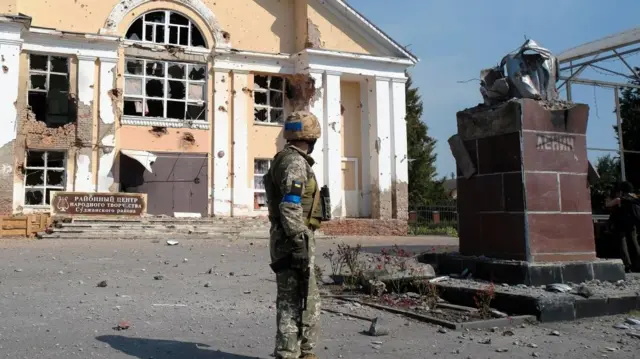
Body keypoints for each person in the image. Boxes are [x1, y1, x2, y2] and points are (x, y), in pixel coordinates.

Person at [263, 111, 324, 359]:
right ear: (311, 137)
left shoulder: (283, 158)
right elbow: (290, 204)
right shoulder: (296, 164)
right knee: (299, 299)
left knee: (295, 296)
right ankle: (293, 353)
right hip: (293, 236)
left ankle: (295, 351)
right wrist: (299, 240)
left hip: (284, 235)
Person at [606, 181, 640, 272]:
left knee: (623, 244)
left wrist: (610, 197)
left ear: (622, 190)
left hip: (621, 224)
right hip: (632, 224)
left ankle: (627, 265)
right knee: (634, 243)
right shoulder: (635, 197)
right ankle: (638, 264)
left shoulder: (620, 199)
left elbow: (608, 204)